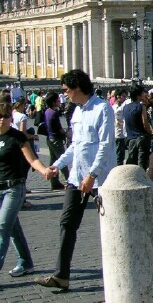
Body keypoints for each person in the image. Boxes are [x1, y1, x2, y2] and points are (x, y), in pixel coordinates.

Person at [35, 69, 117, 291]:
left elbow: (105, 146)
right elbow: (75, 146)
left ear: (77, 88)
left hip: (101, 178)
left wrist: (93, 174)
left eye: (66, 90)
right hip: (76, 177)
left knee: (115, 224)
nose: (64, 95)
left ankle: (121, 268)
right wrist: (57, 165)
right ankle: (61, 275)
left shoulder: (103, 109)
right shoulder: (76, 112)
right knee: (67, 223)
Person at [0, 102, 56, 278]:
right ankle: (26, 262)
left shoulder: (17, 137)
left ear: (11, 118)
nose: (1, 120)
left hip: (14, 188)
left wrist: (45, 170)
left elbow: (32, 160)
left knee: (2, 227)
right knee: (12, 226)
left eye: (5, 116)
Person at [124, 86, 153, 170]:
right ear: (138, 96)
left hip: (131, 138)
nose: (144, 95)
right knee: (142, 163)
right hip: (141, 137)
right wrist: (151, 133)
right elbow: (145, 123)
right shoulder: (141, 106)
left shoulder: (125, 107)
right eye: (142, 93)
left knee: (132, 163)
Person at [44, 92, 69, 190]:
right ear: (54, 102)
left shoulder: (47, 111)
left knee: (53, 161)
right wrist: (66, 134)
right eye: (58, 100)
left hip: (49, 139)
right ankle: (69, 180)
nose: (59, 101)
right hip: (56, 140)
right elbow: (60, 129)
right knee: (62, 161)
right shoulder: (54, 113)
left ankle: (54, 182)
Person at [112, 89, 128, 165]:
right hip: (118, 133)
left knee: (121, 154)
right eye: (123, 96)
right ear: (118, 96)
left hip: (122, 132)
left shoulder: (121, 105)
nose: (125, 98)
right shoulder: (115, 107)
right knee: (119, 154)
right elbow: (116, 119)